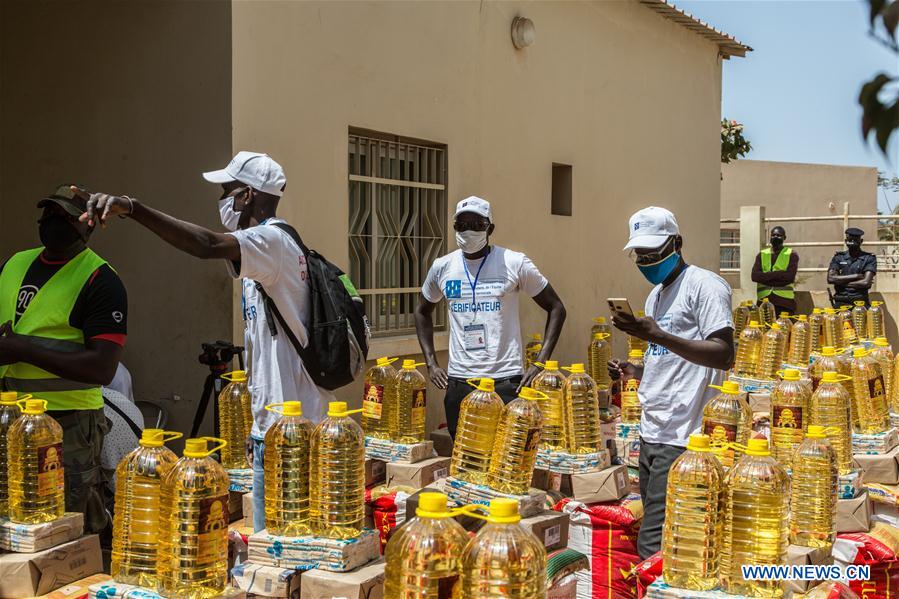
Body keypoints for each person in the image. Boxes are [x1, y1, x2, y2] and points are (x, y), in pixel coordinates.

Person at [73, 151, 332, 533]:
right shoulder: (265, 250)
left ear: (246, 195)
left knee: (279, 550)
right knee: (273, 548)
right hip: (276, 429)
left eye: (226, 190)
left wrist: (134, 208)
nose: (221, 199)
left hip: (289, 434)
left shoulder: (270, 241)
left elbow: (207, 245)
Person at [607, 206, 734, 559]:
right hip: (652, 433)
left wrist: (658, 336)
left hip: (683, 437)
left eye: (653, 254)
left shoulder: (704, 286)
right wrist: (634, 371)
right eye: (639, 256)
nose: (646, 262)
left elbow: (723, 354)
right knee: (662, 533)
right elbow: (669, 361)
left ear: (677, 243)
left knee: (654, 543)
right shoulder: (657, 295)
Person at [0, 185, 127, 534]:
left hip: (67, 427)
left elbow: (102, 367)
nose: (55, 222)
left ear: (88, 226)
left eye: (68, 217)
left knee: (63, 527)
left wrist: (23, 349)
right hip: (11, 420)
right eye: (50, 214)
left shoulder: (101, 279)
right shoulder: (14, 264)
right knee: (14, 522)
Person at [414, 196, 566, 438]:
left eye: (476, 224)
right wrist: (431, 363)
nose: (468, 231)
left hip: (505, 379)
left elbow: (556, 307)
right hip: (459, 381)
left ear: (490, 229)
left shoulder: (514, 263)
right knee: (465, 457)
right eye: (462, 225)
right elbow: (422, 311)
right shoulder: (442, 267)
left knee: (504, 455)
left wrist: (540, 362)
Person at [751, 226, 798, 314]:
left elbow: (789, 277)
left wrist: (766, 277)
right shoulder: (761, 254)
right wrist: (779, 274)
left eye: (779, 235)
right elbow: (755, 276)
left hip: (784, 303)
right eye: (773, 235)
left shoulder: (791, 254)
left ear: (784, 238)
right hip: (763, 302)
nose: (775, 237)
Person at [828, 227, 877, 307]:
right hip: (840, 301)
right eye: (850, 240)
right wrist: (856, 276)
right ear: (846, 241)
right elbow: (831, 278)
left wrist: (841, 283)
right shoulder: (839, 257)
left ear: (861, 241)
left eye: (855, 240)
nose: (852, 242)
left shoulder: (869, 258)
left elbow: (865, 282)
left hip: (860, 302)